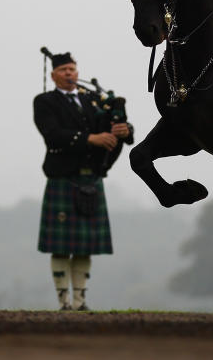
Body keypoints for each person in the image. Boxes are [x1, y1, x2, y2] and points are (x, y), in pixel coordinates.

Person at [33, 51, 133, 311]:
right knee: (61, 247)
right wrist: (91, 139)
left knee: (83, 248)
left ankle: (79, 301)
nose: (69, 74)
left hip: (91, 177)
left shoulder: (93, 101)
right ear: (54, 75)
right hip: (63, 178)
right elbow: (53, 134)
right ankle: (63, 302)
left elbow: (110, 127)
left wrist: (124, 129)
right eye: (64, 70)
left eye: (72, 69)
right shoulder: (45, 101)